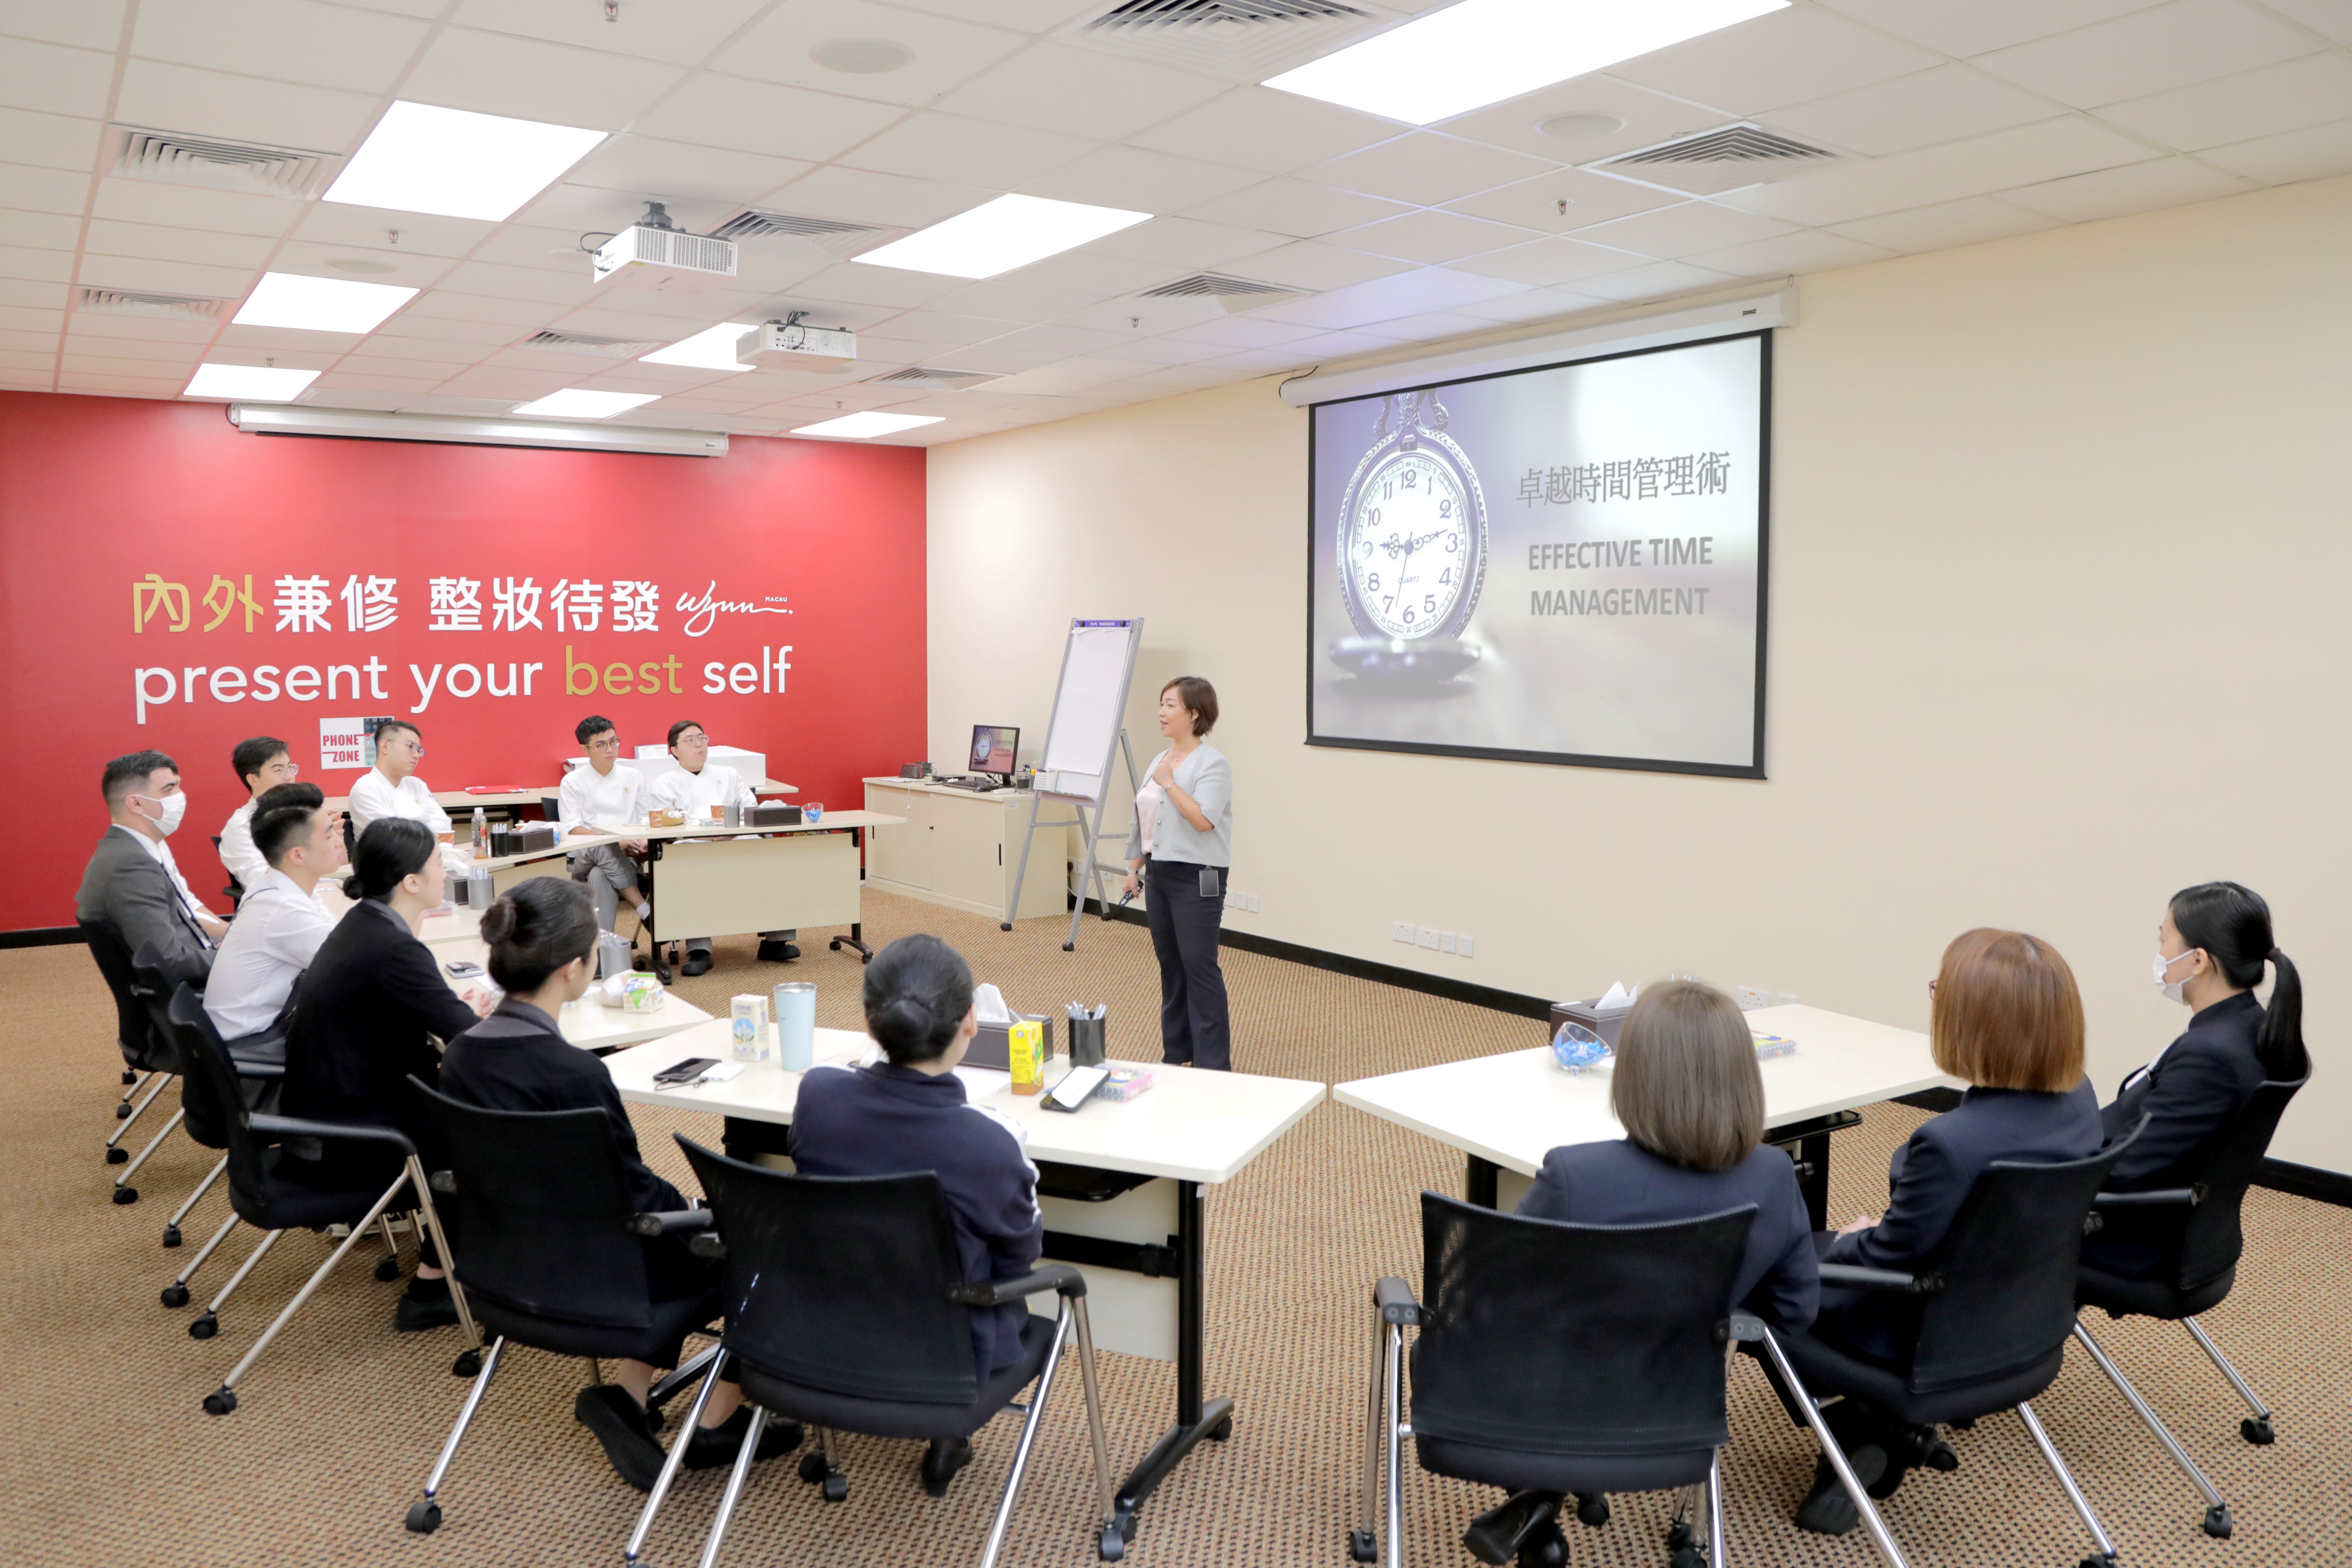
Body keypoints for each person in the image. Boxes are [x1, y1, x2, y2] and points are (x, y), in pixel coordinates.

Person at [440, 879, 795, 1487]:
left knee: (672, 1229)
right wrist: (698, 1208)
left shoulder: (461, 1055)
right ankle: (719, 1422)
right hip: (602, 1277)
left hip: (505, 1266)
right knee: (767, 1244)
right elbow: (633, 1197)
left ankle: (627, 1396)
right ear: (574, 969)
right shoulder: (575, 1074)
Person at [1463, 980, 1818, 1566]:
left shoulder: (1575, 1175)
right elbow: (1794, 1311)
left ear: (1632, 1075)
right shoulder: (1773, 1176)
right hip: (1679, 1410)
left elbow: (1489, 1296)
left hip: (1546, 1404)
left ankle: (1541, 1489)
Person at [1792, 928, 2101, 1536]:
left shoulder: (1949, 1144)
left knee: (1760, 1272)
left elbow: (1884, 1264)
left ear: (1973, 1021)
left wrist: (1854, 1237)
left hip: (1922, 1338)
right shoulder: (2079, 1098)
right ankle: (1869, 1428)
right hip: (2020, 1319)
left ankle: (1860, 1429)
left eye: (1940, 992)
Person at [790, 933, 1042, 1490]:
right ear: (971, 1020)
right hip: (949, 1355)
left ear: (867, 1020)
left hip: (822, 1328)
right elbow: (1019, 1260)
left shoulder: (818, 1095)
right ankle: (946, 1435)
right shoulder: (989, 1144)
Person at [280, 817, 492, 1330]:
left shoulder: (365, 924)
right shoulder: (394, 947)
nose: (447, 870)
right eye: (439, 863)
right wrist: (475, 1012)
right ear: (411, 882)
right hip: (354, 1134)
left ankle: (456, 1253)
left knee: (465, 1099)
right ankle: (433, 1284)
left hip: (324, 1111)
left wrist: (454, 1010)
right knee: (489, 1126)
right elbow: (467, 1035)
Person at [2082, 881, 2306, 1277]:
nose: (2160, 954)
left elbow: (2123, 1172)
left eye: (2163, 941)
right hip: (2179, 1222)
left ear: (2198, 960)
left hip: (2139, 1238)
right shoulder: (2247, 1025)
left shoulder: (2211, 1057)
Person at [1120, 676, 1234, 1070]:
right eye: (1161, 704)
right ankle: (1177, 1051)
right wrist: (1135, 867)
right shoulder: (1160, 758)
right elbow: (1144, 816)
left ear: (1195, 714)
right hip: (1159, 873)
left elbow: (1204, 820)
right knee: (1170, 965)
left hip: (1197, 876)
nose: (1161, 712)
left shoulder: (1213, 763)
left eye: (1171, 705)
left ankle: (1213, 1063)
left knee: (1199, 966)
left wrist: (1169, 784)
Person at [643, 719, 796, 973]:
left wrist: (731, 831)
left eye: (702, 738)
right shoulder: (664, 783)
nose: (699, 744)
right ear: (675, 750)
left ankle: (776, 941)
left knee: (773, 859)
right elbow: (663, 825)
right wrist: (705, 834)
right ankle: (699, 950)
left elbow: (751, 811)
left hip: (737, 841)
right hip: (693, 846)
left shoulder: (728, 774)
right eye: (690, 740)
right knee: (691, 871)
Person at [202, 783, 343, 1044]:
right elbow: (353, 966)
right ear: (298, 855)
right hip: (248, 1038)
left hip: (259, 1020)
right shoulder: (285, 908)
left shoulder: (279, 884)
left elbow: (337, 939)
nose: (339, 841)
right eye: (329, 835)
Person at [77, 750, 226, 978]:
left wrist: (233, 940)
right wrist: (242, 957)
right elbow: (170, 961)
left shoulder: (143, 847)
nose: (180, 796)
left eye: (178, 786)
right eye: (169, 790)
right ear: (136, 803)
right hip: (198, 988)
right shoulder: (130, 866)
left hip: (200, 951)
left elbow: (186, 909)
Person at [556, 715, 651, 934]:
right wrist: (617, 842)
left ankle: (603, 947)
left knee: (600, 875)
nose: (610, 749)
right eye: (601, 745)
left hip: (627, 857)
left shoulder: (633, 776)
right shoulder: (573, 781)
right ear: (585, 750)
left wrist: (643, 844)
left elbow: (645, 821)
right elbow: (573, 830)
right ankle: (643, 909)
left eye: (613, 742)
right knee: (604, 843)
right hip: (583, 855)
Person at [217, 736, 300, 894]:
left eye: (290, 768)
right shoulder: (241, 826)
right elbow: (259, 880)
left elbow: (337, 865)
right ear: (253, 779)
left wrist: (332, 842)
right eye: (279, 771)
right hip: (279, 900)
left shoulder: (302, 814)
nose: (289, 776)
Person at [347, 721, 452, 841]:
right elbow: (393, 836)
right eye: (411, 747)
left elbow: (444, 825)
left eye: (419, 750)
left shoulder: (417, 784)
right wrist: (428, 829)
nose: (416, 756)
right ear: (385, 747)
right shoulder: (365, 788)